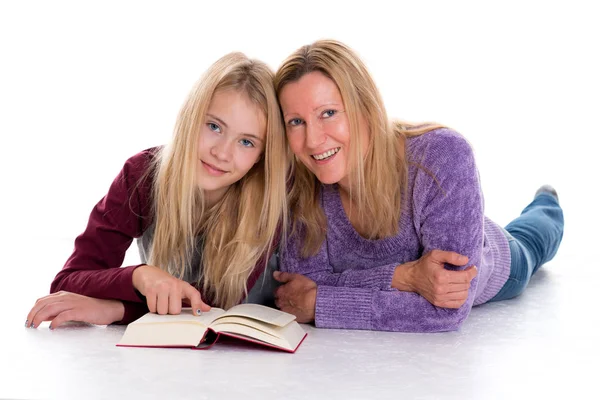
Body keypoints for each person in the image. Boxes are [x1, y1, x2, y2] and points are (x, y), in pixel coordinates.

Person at [271, 39, 564, 332]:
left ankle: (546, 202)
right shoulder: (300, 179)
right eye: (296, 122)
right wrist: (404, 277)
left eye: (328, 113)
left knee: (535, 236)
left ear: (365, 107)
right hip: (448, 223)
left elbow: (445, 310)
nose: (312, 140)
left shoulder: (442, 155)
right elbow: (298, 289)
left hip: (497, 260)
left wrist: (323, 303)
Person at [25, 52, 289, 330]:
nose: (222, 153)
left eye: (246, 142)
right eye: (214, 126)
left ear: (262, 155)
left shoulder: (269, 202)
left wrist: (116, 308)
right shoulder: (143, 177)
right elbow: (68, 281)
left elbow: (211, 304)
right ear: (190, 117)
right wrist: (139, 276)